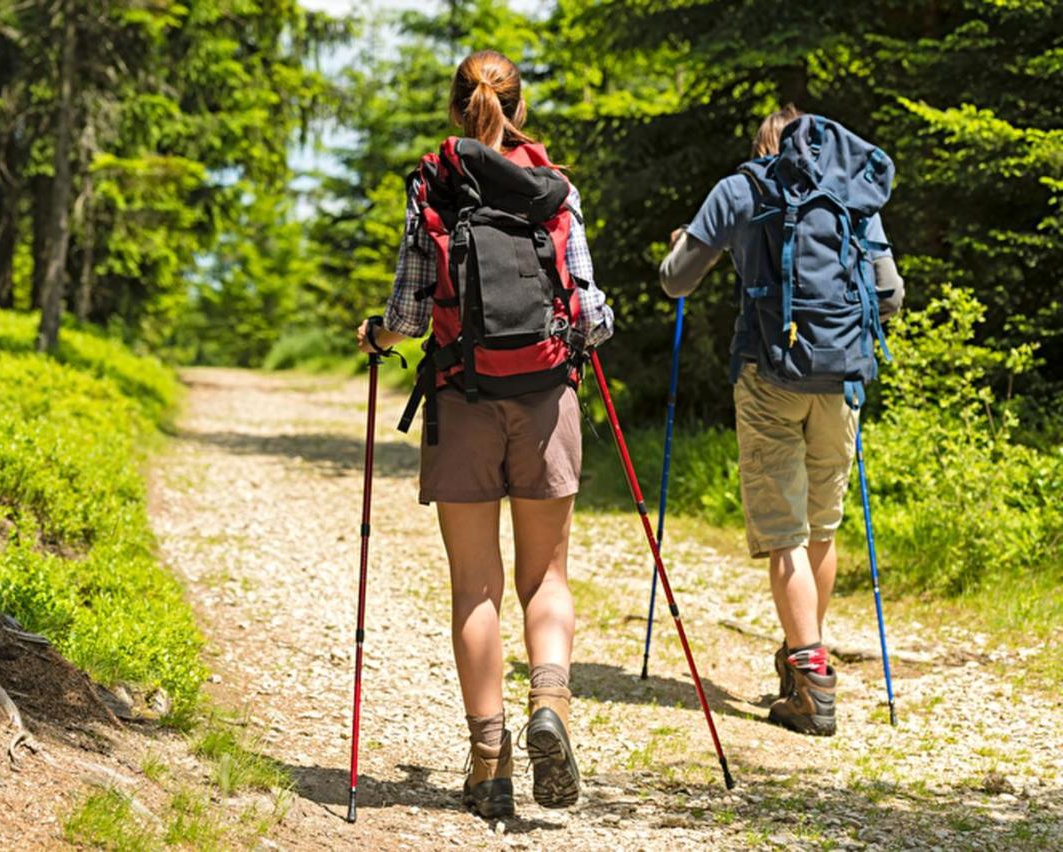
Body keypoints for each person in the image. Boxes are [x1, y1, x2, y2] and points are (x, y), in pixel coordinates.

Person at [356, 50, 613, 816]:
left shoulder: (431, 185)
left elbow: (409, 312)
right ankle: (551, 707)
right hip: (545, 401)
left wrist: (377, 336)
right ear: (519, 108)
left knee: (476, 586)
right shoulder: (554, 189)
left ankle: (489, 762)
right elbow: (591, 313)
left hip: (461, 398)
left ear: (454, 107)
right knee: (546, 578)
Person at [659, 105, 904, 736]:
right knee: (821, 524)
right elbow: (891, 296)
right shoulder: (853, 193)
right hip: (842, 379)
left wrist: (680, 248)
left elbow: (676, 282)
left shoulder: (741, 187)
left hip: (768, 372)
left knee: (784, 533)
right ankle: (804, 656)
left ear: (764, 143)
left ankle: (812, 681)